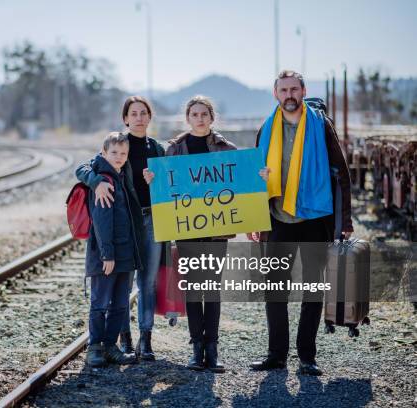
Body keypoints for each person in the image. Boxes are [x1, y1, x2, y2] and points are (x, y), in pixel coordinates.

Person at [150, 95, 268, 372]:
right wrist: (152, 180)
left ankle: (212, 350)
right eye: (194, 114)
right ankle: (196, 349)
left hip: (217, 230)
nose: (200, 118)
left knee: (211, 289)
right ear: (187, 118)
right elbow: (166, 188)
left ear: (212, 118)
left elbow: (241, 185)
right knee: (193, 289)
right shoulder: (174, 149)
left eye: (204, 114)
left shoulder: (227, 148)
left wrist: (258, 176)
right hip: (186, 228)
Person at [248, 70, 353, 376]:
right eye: (284, 90)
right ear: (275, 94)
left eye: (294, 89)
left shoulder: (321, 125)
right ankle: (276, 355)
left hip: (315, 218)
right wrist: (256, 217)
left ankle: (307, 356)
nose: (289, 94)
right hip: (279, 219)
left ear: (304, 91)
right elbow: (255, 175)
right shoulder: (266, 128)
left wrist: (345, 219)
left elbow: (342, 171)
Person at [76, 96, 165, 361]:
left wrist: (156, 179)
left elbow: (174, 179)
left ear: (150, 117)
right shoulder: (118, 144)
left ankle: (145, 341)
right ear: (125, 118)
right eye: (133, 113)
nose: (139, 117)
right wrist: (96, 182)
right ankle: (121, 341)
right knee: (120, 285)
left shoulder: (158, 149)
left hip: (150, 221)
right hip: (124, 224)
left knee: (147, 283)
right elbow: (83, 167)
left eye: (143, 113)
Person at [84, 132, 142, 368]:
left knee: (120, 304)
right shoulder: (104, 181)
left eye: (123, 153)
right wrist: (107, 254)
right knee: (100, 303)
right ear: (104, 153)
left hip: (126, 254)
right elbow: (101, 221)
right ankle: (95, 347)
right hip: (107, 256)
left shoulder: (121, 176)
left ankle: (110, 346)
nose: (119, 157)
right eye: (114, 153)